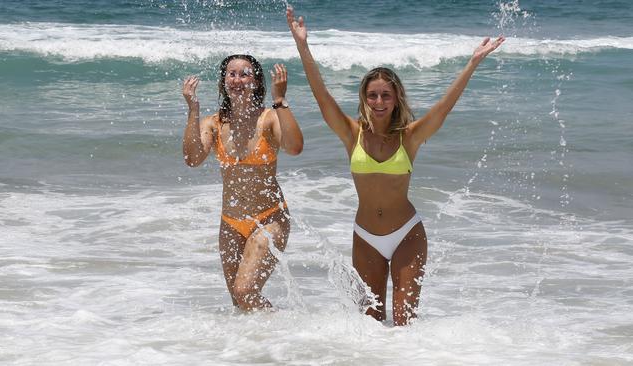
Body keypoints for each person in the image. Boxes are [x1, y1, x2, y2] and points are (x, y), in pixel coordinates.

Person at [286, 7, 504, 325]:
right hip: (365, 237)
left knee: (404, 323)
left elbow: (443, 109)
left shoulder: (410, 137)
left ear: (396, 99)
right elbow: (322, 97)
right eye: (372, 95)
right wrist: (303, 46)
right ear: (363, 98)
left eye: (386, 95)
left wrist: (472, 63)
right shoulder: (351, 133)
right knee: (371, 322)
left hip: (407, 235)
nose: (378, 102)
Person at [182, 54, 303, 311]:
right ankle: (261, 347)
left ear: (257, 82)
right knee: (239, 302)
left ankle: (284, 331)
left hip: (269, 218)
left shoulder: (269, 118)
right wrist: (193, 111)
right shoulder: (213, 124)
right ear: (224, 82)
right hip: (230, 223)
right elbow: (192, 159)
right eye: (231, 74)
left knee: (245, 291)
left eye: (244, 74)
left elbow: (294, 147)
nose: (237, 80)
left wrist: (280, 101)